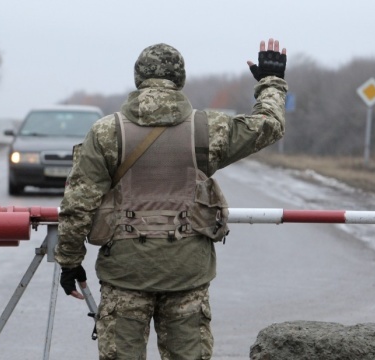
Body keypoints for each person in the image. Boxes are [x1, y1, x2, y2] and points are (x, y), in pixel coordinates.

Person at [55, 38, 288, 359]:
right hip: (187, 273)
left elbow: (77, 205)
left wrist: (69, 262)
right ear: (180, 80)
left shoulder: (105, 132)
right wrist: (270, 83)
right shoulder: (208, 129)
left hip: (124, 273)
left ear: (138, 79)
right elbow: (269, 126)